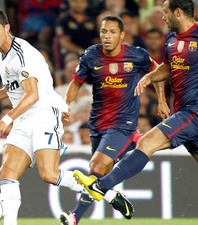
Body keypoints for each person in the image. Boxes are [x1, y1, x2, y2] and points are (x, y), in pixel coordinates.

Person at [72, 0, 198, 213]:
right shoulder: (171, 39)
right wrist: (150, 77)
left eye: (165, 11)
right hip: (183, 112)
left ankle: (102, 186)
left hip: (195, 112)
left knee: (146, 143)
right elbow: (166, 67)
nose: (162, 16)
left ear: (178, 12)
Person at [0, 9, 86, 225]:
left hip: (44, 112)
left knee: (48, 174)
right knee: (7, 171)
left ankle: (88, 185)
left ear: (7, 28)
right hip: (24, 117)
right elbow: (14, 85)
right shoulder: (2, 53)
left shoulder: (22, 53)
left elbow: (33, 94)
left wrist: (6, 119)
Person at [59, 15, 169, 225]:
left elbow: (158, 73)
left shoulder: (137, 55)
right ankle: (105, 200)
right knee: (96, 176)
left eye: (111, 32)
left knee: (97, 166)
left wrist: (161, 102)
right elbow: (75, 83)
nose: (107, 36)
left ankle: (74, 218)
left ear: (122, 34)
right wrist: (66, 105)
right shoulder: (91, 56)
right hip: (97, 125)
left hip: (122, 124)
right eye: (103, 32)